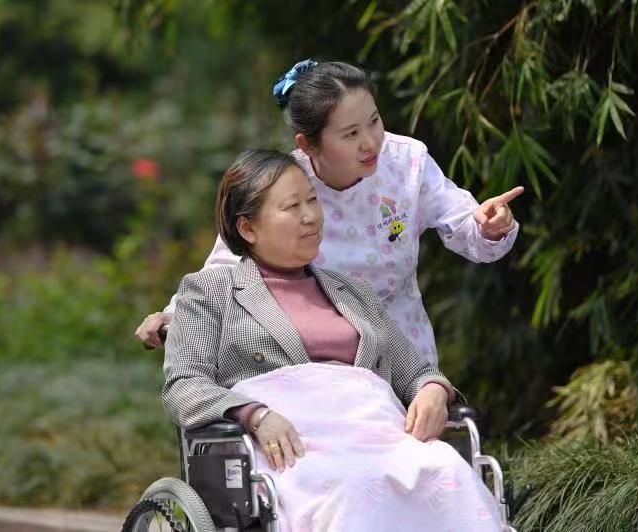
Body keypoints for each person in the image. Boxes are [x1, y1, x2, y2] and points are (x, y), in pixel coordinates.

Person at [162, 149, 502, 531]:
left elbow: (417, 371)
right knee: (355, 486)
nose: (310, 215)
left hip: (376, 435)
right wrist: (255, 415)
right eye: (292, 206)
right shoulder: (210, 291)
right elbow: (184, 385)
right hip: (291, 446)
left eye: (312, 200)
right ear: (248, 229)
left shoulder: (353, 292)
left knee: (447, 468)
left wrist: (433, 390)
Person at [138, 59, 523, 365]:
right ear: (308, 145)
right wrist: (176, 315)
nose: (370, 142)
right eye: (350, 133)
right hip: (314, 357)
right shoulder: (282, 185)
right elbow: (226, 264)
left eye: (374, 121)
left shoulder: (407, 161)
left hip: (403, 347)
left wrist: (489, 225)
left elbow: (462, 220)